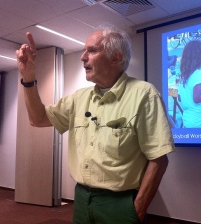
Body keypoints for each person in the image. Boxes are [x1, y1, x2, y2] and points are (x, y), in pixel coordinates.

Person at [16, 25, 175, 224]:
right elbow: (37, 119)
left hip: (119, 203)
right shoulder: (79, 98)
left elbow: (159, 160)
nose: (83, 57)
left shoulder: (144, 94)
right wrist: (28, 76)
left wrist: (137, 209)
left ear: (115, 57)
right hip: (82, 198)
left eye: (91, 51)